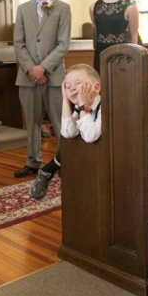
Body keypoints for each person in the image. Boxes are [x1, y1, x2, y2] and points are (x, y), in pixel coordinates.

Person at [13, 0, 72, 178]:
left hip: (54, 76)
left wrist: (43, 67)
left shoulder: (63, 8)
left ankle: (62, 161)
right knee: (33, 121)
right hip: (28, 78)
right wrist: (31, 69)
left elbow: (63, 44)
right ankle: (33, 161)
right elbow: (18, 43)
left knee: (60, 122)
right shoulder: (23, 9)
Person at [29, 64, 102, 199]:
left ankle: (48, 170)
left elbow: (90, 136)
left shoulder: (105, 107)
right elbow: (68, 133)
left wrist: (82, 107)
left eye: (78, 83)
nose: (72, 88)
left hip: (104, 160)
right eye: (67, 87)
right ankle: (48, 171)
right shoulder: (78, 107)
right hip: (86, 161)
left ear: (96, 88)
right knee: (70, 138)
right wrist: (65, 99)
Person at [90, 0, 139, 72]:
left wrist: (132, 61)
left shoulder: (129, 6)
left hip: (121, 56)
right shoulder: (94, 7)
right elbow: (96, 33)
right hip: (100, 54)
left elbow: (133, 38)